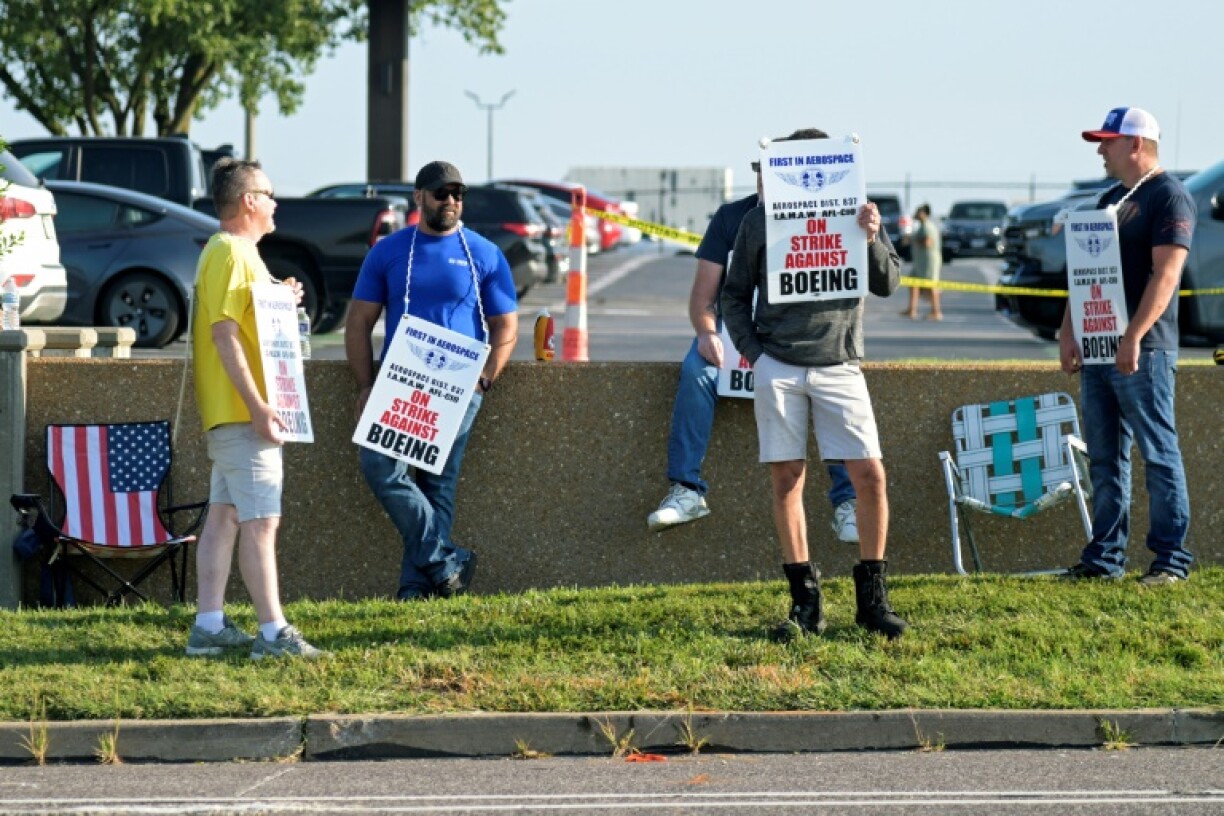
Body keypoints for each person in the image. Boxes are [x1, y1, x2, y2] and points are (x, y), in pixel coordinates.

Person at [721, 128, 909, 641]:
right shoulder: (758, 222)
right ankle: (805, 601)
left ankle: (873, 598)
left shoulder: (860, 212)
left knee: (870, 474)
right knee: (787, 478)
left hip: (840, 362)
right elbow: (732, 295)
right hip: (778, 363)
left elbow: (889, 283)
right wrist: (755, 354)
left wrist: (871, 236)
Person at [647, 176, 861, 543]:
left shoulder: (835, 213)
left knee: (830, 383)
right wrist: (706, 333)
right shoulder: (733, 216)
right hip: (736, 332)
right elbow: (704, 298)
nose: (767, 181)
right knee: (696, 372)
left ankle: (847, 503)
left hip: (802, 337)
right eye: (763, 172)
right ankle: (687, 490)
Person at [346, 161, 518, 601]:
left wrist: (483, 379)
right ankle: (443, 562)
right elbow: (358, 324)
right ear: (419, 196)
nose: (451, 201)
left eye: (459, 193)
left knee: (437, 483)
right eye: (442, 192)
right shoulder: (388, 252)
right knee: (380, 466)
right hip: (398, 382)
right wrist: (366, 386)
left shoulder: (483, 252)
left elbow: (506, 325)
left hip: (459, 385)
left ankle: (415, 588)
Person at [185, 158, 325, 660]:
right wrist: (260, 405)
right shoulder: (230, 253)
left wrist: (278, 295)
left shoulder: (233, 254)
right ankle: (272, 633)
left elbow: (243, 319)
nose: (274, 203)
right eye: (267, 194)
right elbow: (225, 333)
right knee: (262, 521)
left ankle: (209, 627)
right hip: (245, 415)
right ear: (248, 201)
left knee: (224, 518)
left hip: (234, 414)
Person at [1060, 107, 1195, 586]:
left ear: (1136, 144)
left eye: (1108, 142)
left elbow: (1167, 275)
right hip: (1098, 348)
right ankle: (1104, 560)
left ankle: (1170, 562)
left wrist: (1134, 336)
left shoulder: (1170, 197)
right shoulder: (1110, 198)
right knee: (1105, 457)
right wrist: (1068, 328)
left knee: (1158, 453)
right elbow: (1084, 271)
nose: (1101, 150)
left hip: (1146, 350)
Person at [901, 203, 943, 320]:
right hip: (920, 262)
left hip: (928, 262)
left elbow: (927, 243)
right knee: (913, 283)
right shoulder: (921, 225)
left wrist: (912, 239)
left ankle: (936, 312)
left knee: (931, 286)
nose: (916, 214)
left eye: (919, 212)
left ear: (924, 214)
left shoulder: (927, 227)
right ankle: (912, 310)